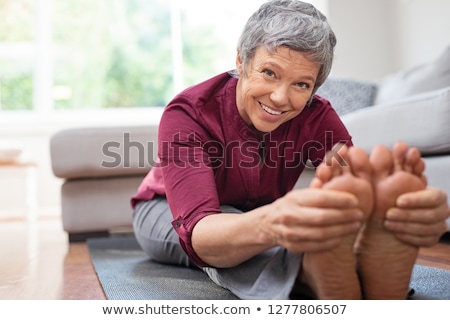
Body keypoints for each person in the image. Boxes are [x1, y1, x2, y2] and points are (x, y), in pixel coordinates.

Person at [131, 0, 450, 299]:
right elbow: (200, 231)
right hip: (168, 210)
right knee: (246, 236)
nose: (281, 98)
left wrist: (397, 211)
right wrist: (273, 220)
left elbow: (351, 183)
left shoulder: (317, 116)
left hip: (255, 210)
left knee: (280, 224)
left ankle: (352, 265)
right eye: (269, 73)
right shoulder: (189, 113)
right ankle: (310, 271)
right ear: (241, 60)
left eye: (301, 84)